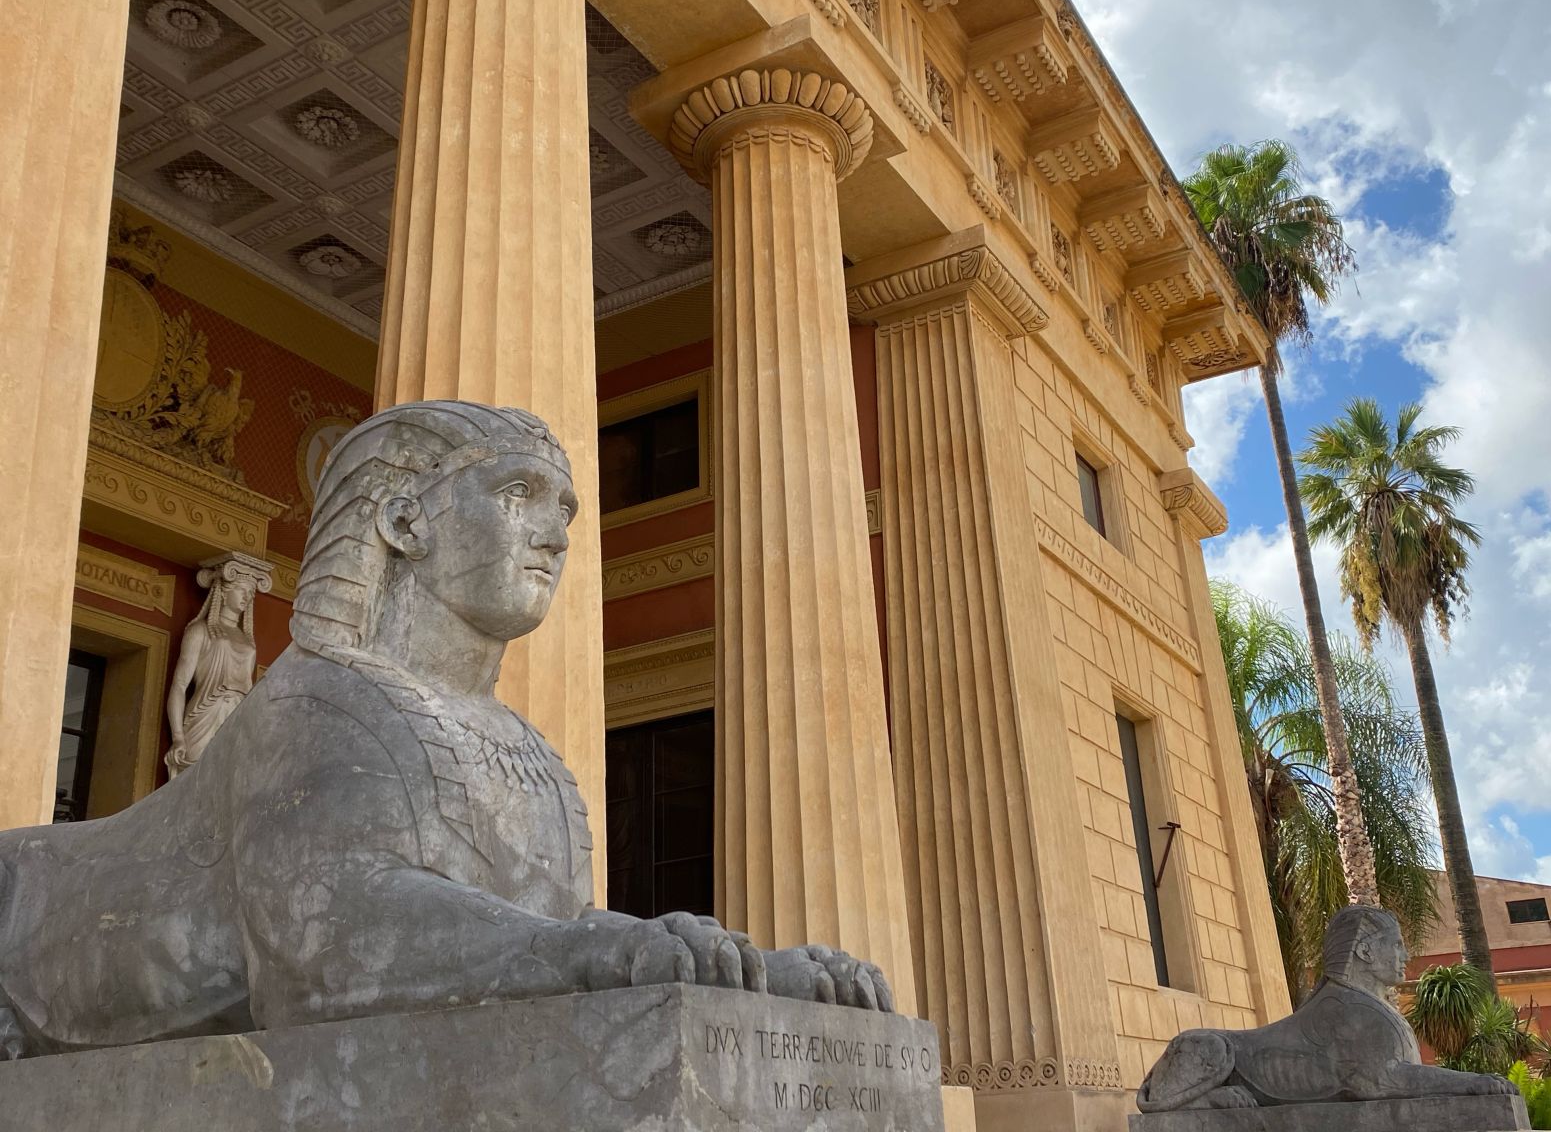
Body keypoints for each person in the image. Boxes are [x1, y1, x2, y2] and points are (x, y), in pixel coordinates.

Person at [0, 401, 887, 1060]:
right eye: (517, 494)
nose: (557, 535)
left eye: (567, 511)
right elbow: (330, 950)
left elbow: (540, 935)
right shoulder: (316, 705)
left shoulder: (530, 754)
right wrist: (600, 952)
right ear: (401, 519)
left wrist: (751, 978)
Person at [1137, 905, 1518, 1111]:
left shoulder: (1362, 1009)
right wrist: (1473, 1083)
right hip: (1217, 1059)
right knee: (1211, 1046)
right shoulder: (1345, 1011)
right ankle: (1197, 1099)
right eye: (1396, 944)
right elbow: (1383, 1081)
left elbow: (1399, 1076)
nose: (1405, 954)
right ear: (1364, 950)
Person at [164, 562, 262, 775]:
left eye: (250, 592)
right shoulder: (200, 631)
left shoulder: (248, 640)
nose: (246, 597)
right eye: (241, 590)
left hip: (239, 714)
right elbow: (179, 685)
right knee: (197, 779)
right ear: (224, 593)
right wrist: (178, 737)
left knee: (231, 782)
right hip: (207, 711)